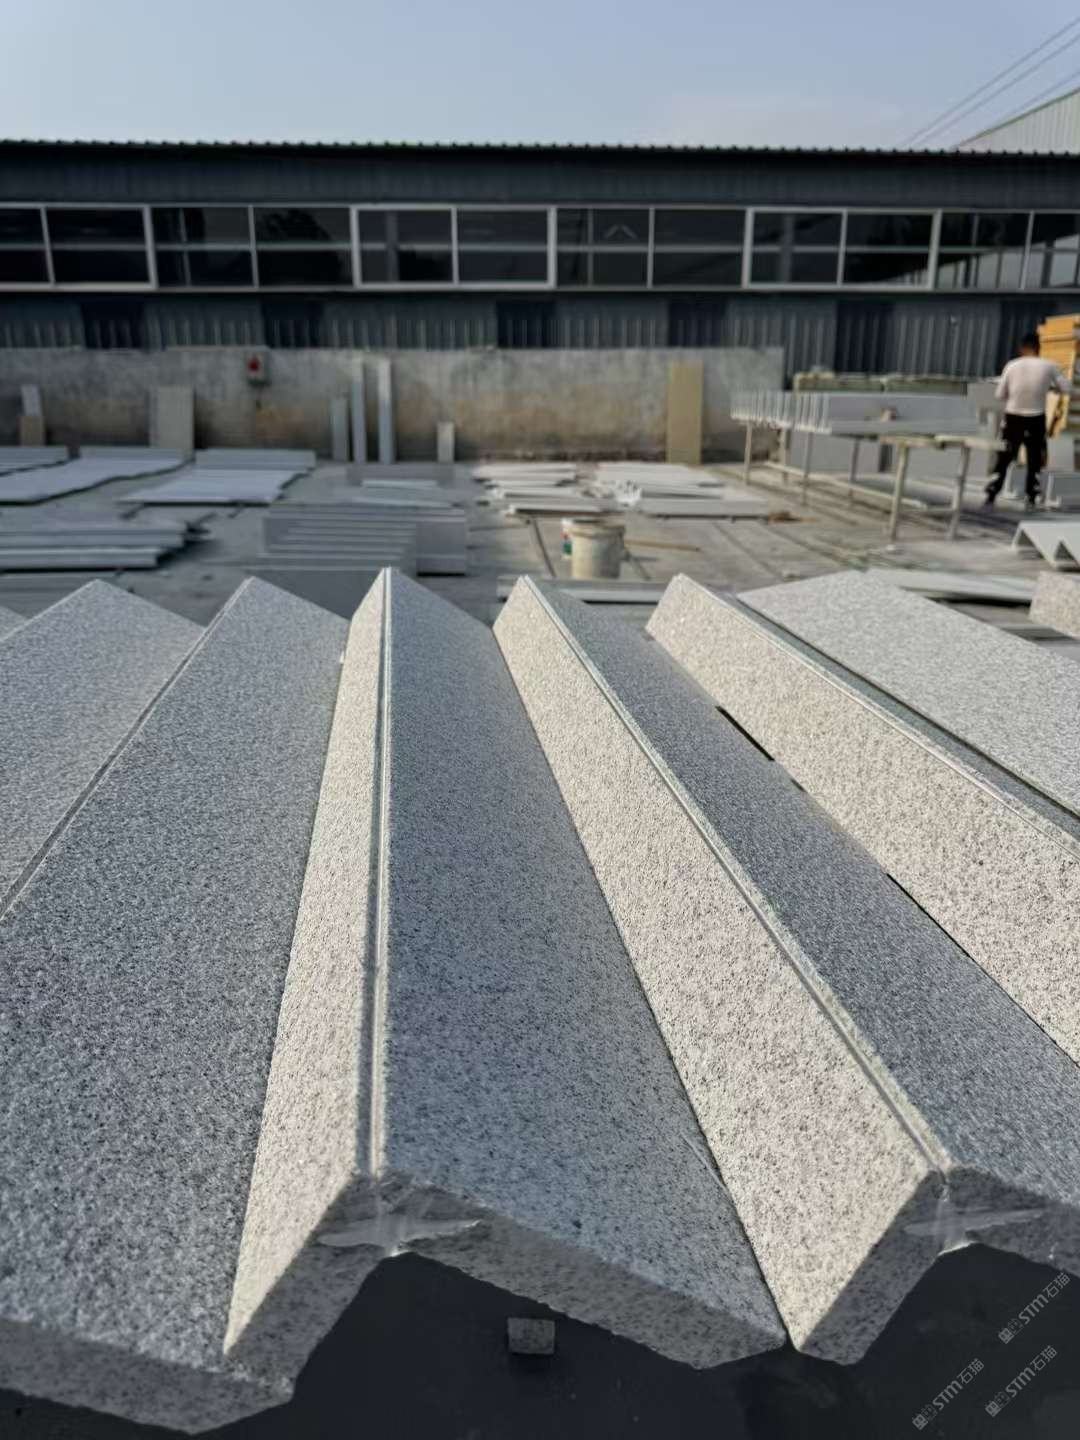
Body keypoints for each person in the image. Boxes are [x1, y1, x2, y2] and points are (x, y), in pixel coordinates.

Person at [984, 333, 1071, 509]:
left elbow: (999, 395)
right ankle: (1032, 495)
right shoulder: (1049, 366)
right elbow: (1066, 388)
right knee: (1034, 458)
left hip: (1013, 416)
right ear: (1038, 348)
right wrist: (1049, 386)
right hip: (1036, 417)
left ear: (1022, 349)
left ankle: (992, 492)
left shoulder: (1012, 365)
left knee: (1005, 456)